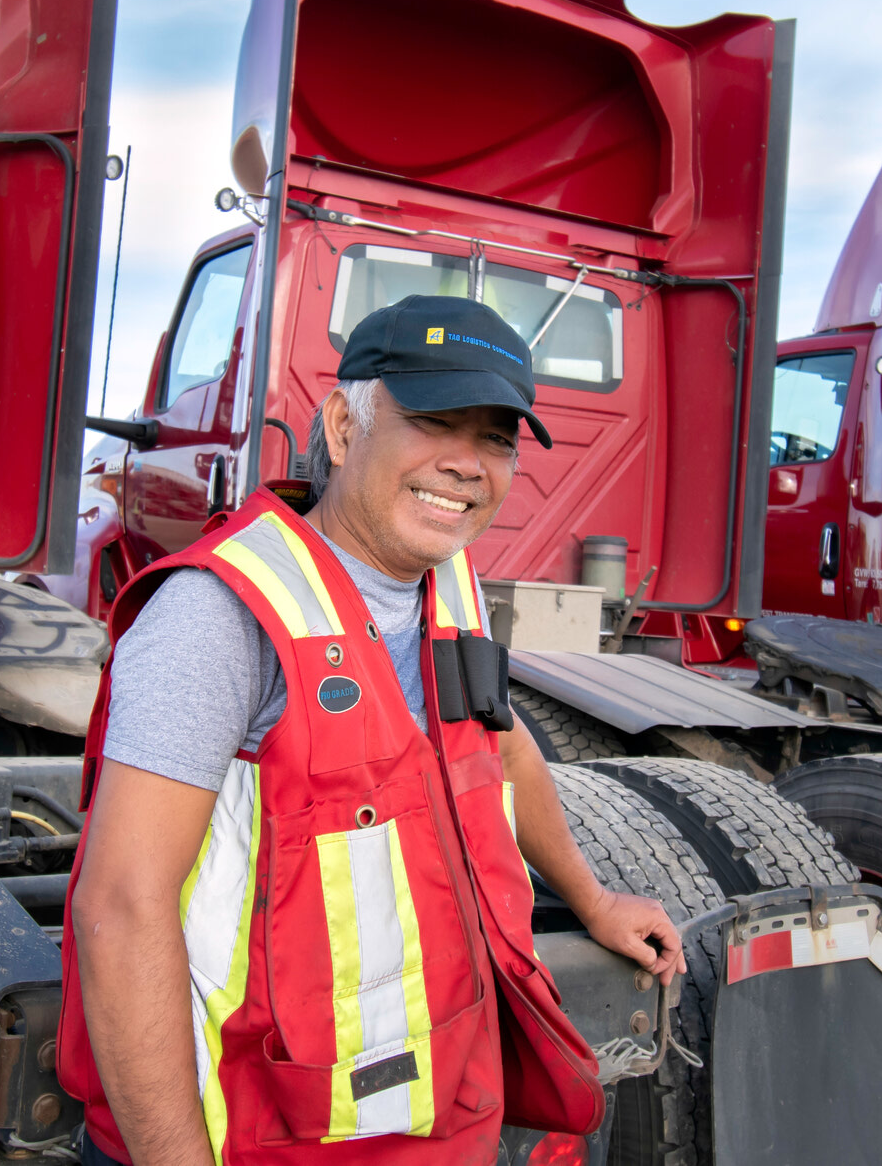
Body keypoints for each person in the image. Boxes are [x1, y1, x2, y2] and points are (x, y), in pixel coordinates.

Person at [59, 295, 685, 1166]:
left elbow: (496, 748)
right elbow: (120, 907)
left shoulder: (451, 590)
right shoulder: (222, 615)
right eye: (435, 421)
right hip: (255, 1137)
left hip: (428, 1131)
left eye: (497, 438)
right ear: (345, 426)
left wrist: (593, 896)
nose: (468, 465)